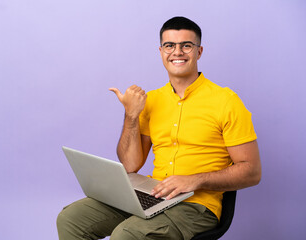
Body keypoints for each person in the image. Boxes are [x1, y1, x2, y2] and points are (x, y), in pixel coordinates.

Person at [57, 16, 261, 240]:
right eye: (169, 45)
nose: (177, 52)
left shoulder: (226, 101)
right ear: (161, 51)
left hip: (196, 206)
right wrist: (131, 115)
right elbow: (130, 164)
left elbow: (251, 172)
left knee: (126, 235)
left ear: (199, 51)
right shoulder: (151, 100)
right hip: (153, 194)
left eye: (186, 45)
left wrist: (195, 179)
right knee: (71, 218)